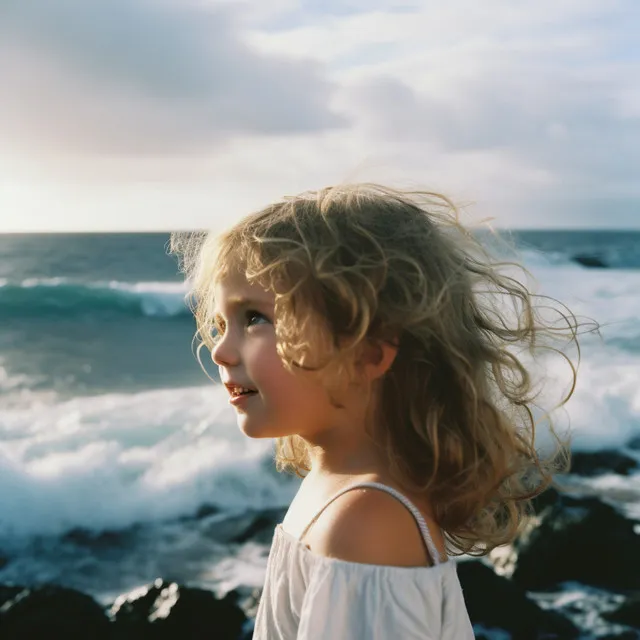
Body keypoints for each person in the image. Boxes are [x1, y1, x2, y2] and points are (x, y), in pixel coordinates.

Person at [171, 184, 581, 639]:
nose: (221, 352)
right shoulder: (338, 492)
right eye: (220, 324)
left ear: (368, 353)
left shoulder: (367, 524)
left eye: (255, 318)